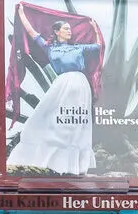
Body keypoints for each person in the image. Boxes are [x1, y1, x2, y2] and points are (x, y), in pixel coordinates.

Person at [10, 16, 100, 175]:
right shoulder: (49, 47)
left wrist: (94, 29)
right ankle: (45, 158)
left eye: (70, 29)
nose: (69, 31)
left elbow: (98, 46)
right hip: (62, 84)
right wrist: (22, 13)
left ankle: (74, 166)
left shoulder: (79, 48)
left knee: (76, 122)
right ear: (57, 32)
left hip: (80, 85)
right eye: (66, 28)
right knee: (51, 117)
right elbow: (32, 32)